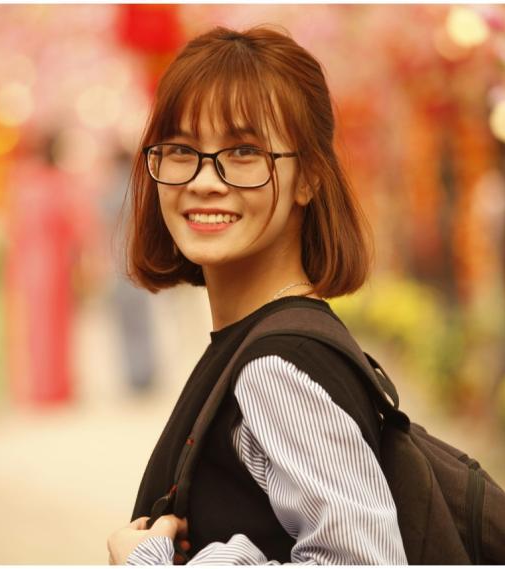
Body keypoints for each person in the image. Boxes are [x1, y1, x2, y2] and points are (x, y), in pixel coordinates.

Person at [108, 26, 407, 565]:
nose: (203, 180)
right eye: (180, 148)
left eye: (244, 151)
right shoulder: (251, 344)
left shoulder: (278, 368)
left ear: (310, 176)